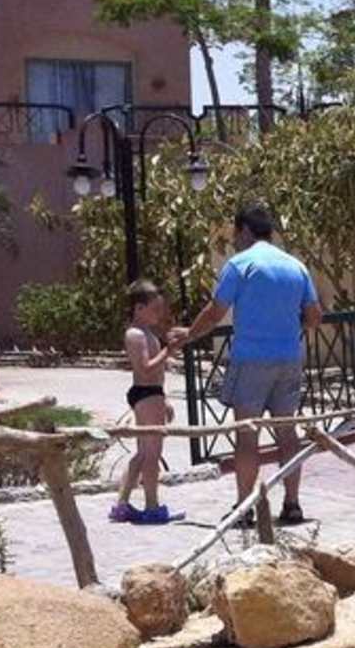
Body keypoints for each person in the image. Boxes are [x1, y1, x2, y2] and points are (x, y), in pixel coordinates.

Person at [176, 204, 323, 527]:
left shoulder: (240, 265)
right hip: (289, 358)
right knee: (287, 432)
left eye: (235, 232)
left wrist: (189, 334)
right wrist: (287, 326)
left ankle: (245, 507)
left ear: (244, 230)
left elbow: (215, 312)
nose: (233, 239)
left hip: (251, 359)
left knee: (246, 435)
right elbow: (314, 317)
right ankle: (292, 504)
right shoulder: (296, 266)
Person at [109, 279, 183, 525]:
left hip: (152, 393)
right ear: (139, 308)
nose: (159, 314)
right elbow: (145, 369)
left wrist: (164, 398)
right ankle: (152, 506)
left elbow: (155, 373)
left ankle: (122, 504)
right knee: (153, 454)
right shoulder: (135, 334)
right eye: (155, 309)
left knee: (143, 453)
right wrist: (168, 351)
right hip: (146, 392)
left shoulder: (147, 333)